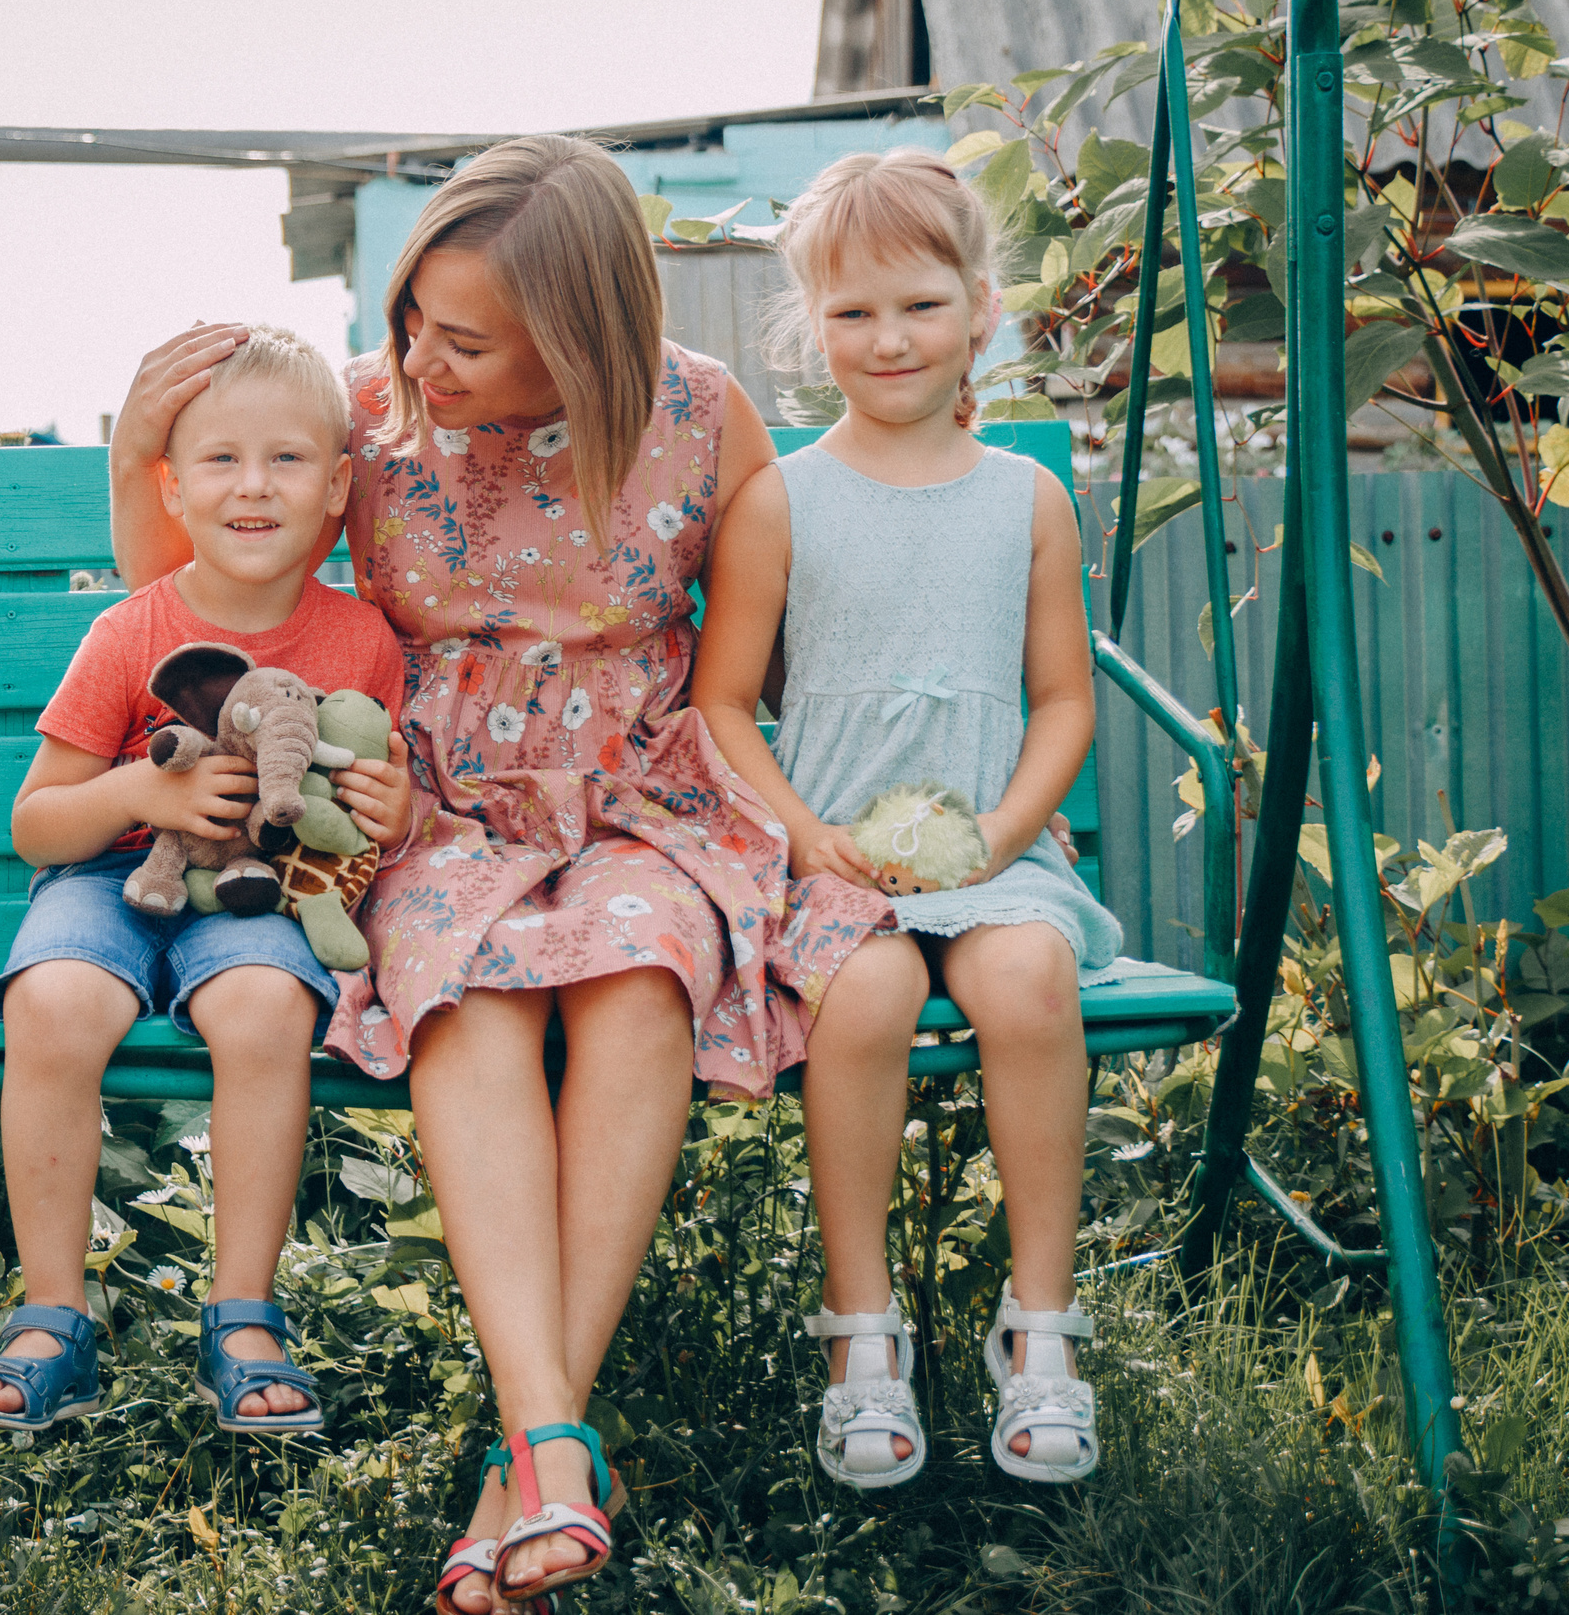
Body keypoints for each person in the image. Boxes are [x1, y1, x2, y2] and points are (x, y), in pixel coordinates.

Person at [110, 137, 854, 1610]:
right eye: (410, 321)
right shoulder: (366, 418)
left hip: (643, 798)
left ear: (576, 341)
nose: (417, 363)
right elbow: (186, 600)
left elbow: (761, 657)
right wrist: (137, 441)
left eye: (462, 341)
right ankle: (554, 1444)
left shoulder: (701, 416)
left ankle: (528, 1461)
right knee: (467, 994)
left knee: (640, 973)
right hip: (426, 804)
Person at [690, 147, 1124, 1490]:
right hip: (833, 861)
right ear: (812, 326)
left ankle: (1039, 1323)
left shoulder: (1025, 499)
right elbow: (721, 705)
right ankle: (861, 1327)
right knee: (866, 997)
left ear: (981, 309)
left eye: (921, 305)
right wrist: (802, 832)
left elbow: (1065, 699)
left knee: (1030, 978)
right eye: (855, 311)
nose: (889, 339)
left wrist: (1004, 830)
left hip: (999, 859)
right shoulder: (782, 500)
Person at [0, 327, 414, 1439]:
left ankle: (243, 1317)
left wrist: (403, 811)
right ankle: (51, 1319)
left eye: (287, 459)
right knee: (55, 1002)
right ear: (172, 487)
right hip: (110, 881)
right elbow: (35, 823)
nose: (253, 486)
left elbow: (369, 816)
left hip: (260, 896)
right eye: (221, 460)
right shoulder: (133, 629)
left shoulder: (362, 643)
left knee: (266, 1008)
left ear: (336, 487)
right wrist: (140, 793)